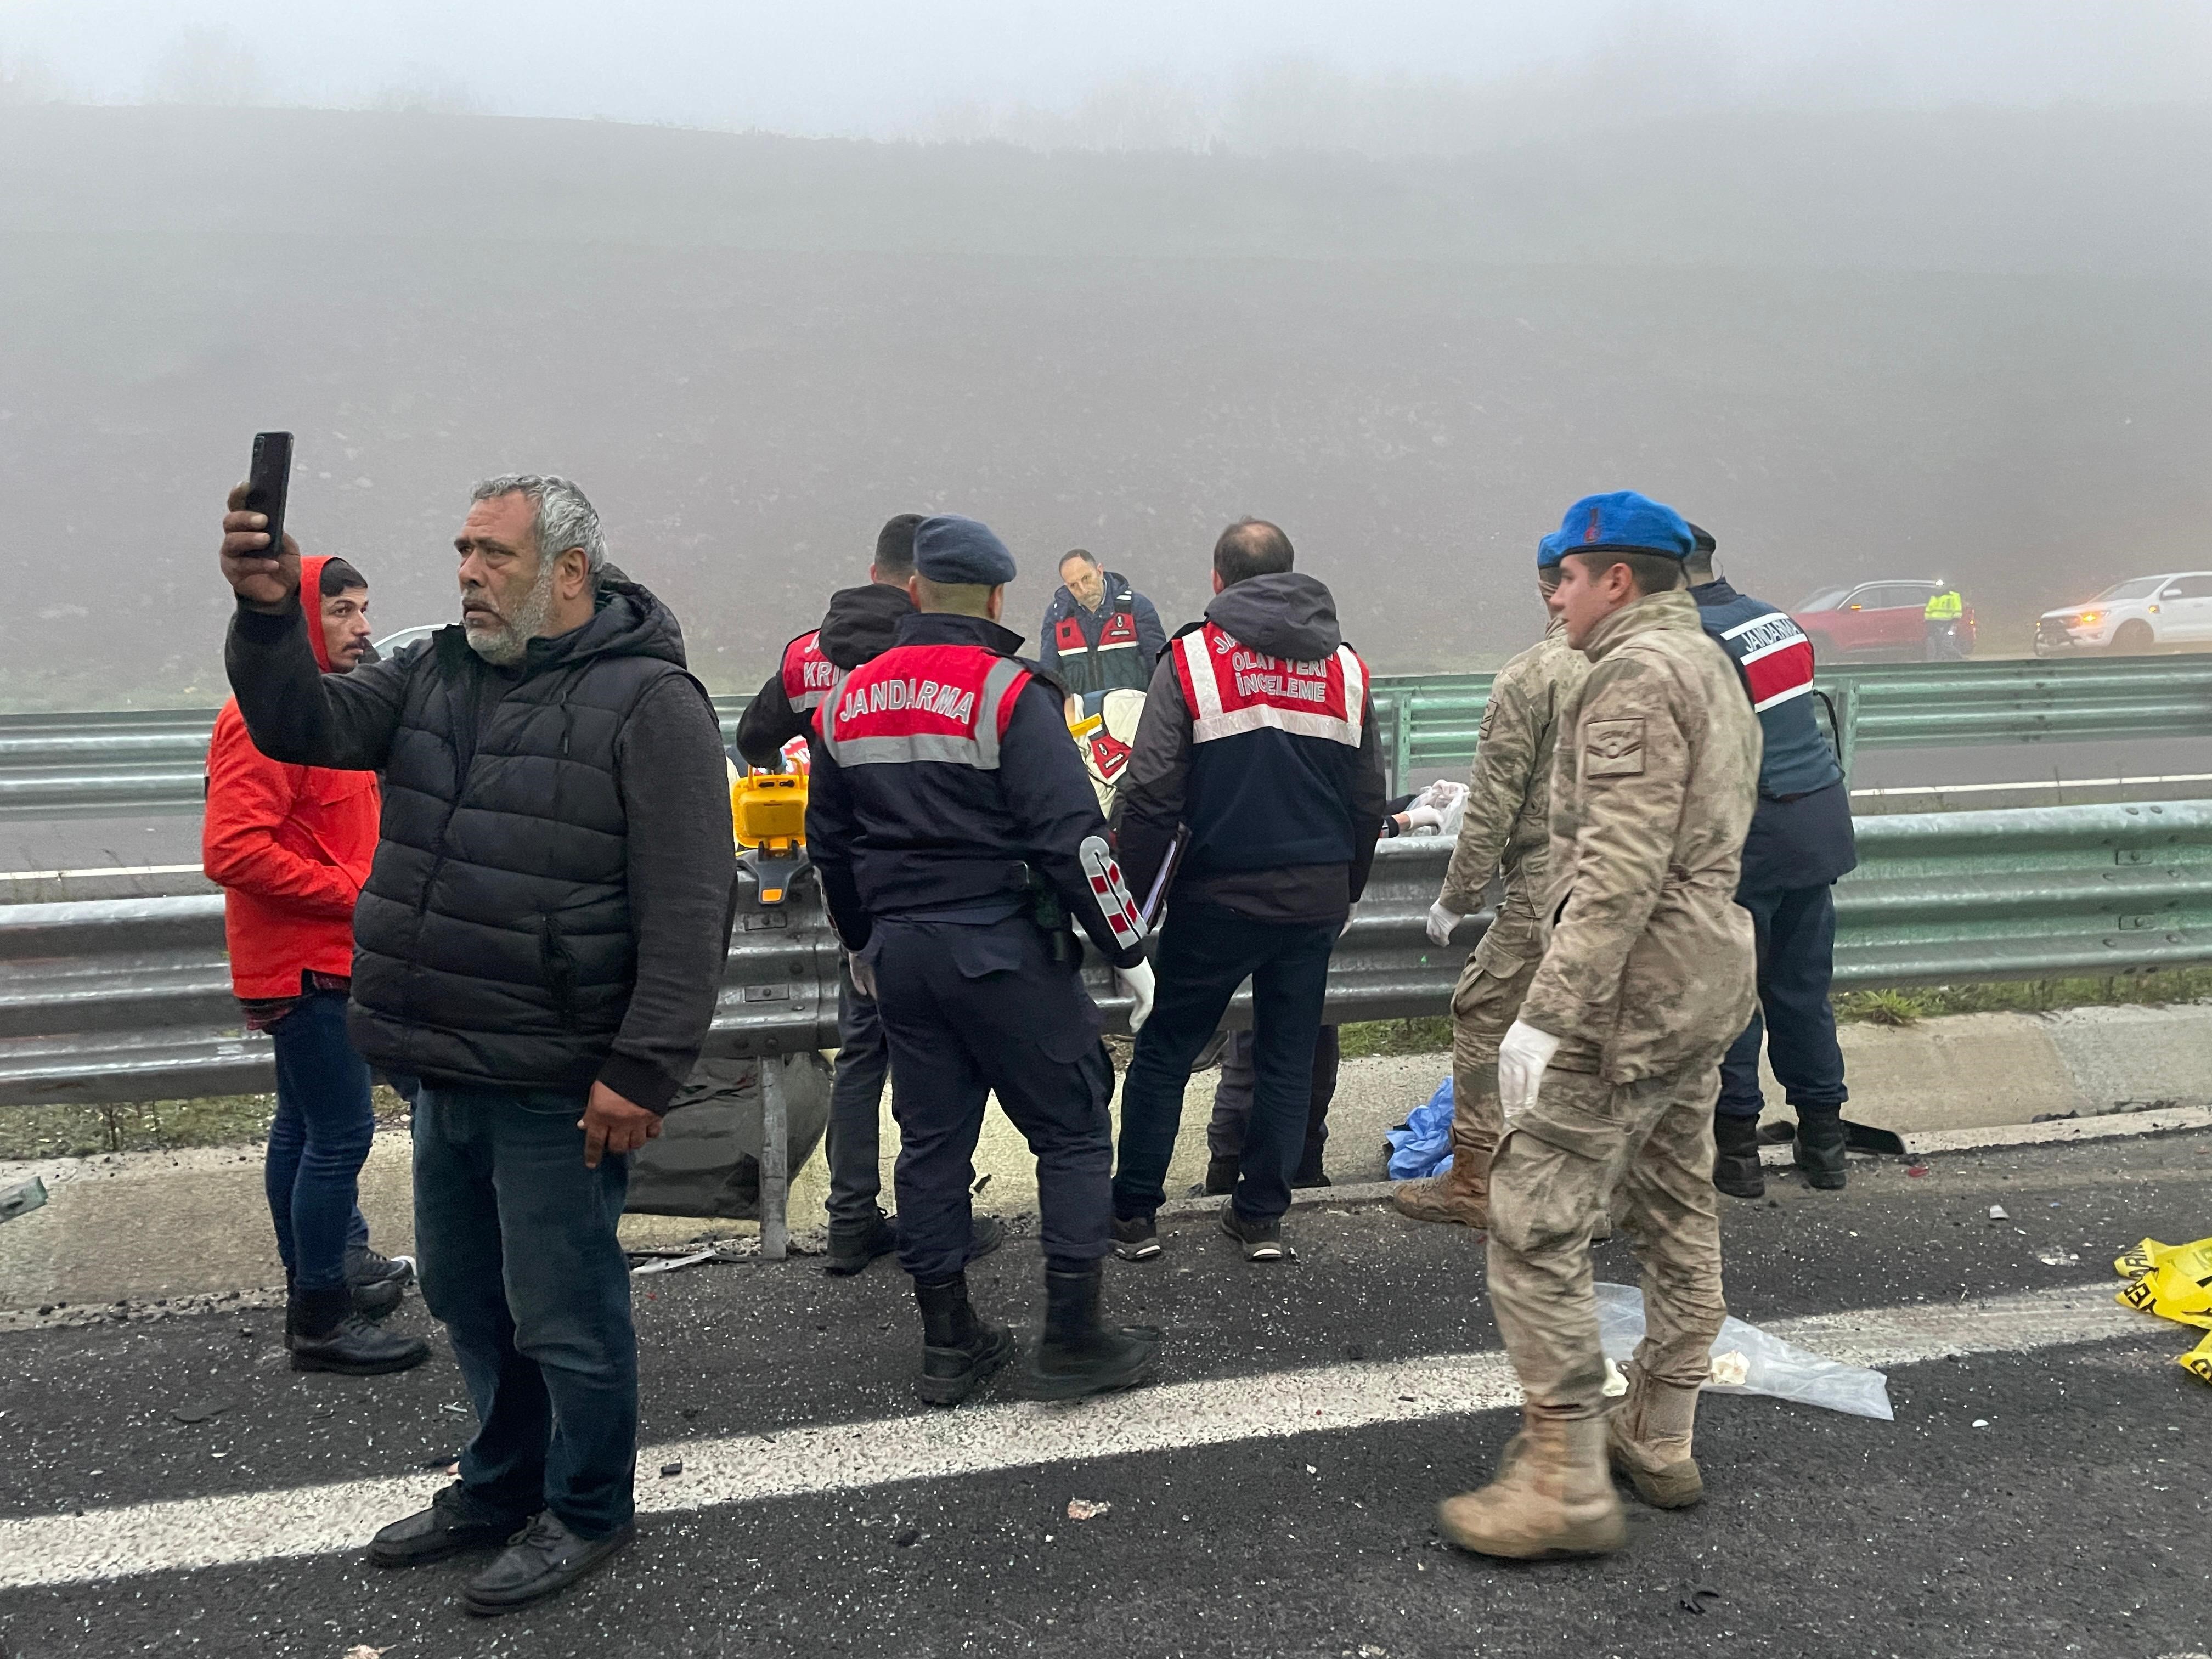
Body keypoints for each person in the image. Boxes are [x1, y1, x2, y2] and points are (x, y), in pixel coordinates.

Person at [218, 472, 736, 1616]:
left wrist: (642, 1067)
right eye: (461, 549)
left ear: (567, 572)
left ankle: (590, 1507)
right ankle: (501, 1485)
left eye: (493, 555)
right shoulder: (433, 670)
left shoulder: (652, 703)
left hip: (560, 1078)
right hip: (441, 1055)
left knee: (566, 1307)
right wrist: (265, 617)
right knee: (465, 1292)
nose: (466, 573)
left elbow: (695, 904)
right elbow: (303, 722)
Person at [1436, 490, 1759, 1561]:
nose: (1556, 596)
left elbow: (1616, 873)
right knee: (1677, 1205)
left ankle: (1564, 1475)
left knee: (1531, 1225)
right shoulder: (1713, 662)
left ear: (1615, 578)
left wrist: (1544, 1020)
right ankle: (1661, 1432)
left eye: (1567, 578)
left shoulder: (1630, 676)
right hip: (1702, 989)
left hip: (1625, 1003)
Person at [805, 514, 1162, 1407]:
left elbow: (830, 847)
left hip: (903, 959)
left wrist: (860, 944)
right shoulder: (1009, 693)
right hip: (1002, 953)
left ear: (915, 590)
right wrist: (1128, 950)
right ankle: (1073, 1335)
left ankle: (949, 1341)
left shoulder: (846, 701)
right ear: (998, 597)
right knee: (1073, 1124)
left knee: (930, 1143)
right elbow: (1076, 843)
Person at [1108, 518, 1387, 1263]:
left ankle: (1134, 1215)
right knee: (1287, 1055)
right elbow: (1369, 799)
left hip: (1218, 899)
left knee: (1166, 1050)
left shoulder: (1193, 658)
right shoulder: (1348, 668)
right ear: (1292, 576)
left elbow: (1149, 793)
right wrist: (1347, 890)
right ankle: (1260, 1216)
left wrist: (1127, 913)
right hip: (1316, 899)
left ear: (1217, 581)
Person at [732, 514, 1004, 1276]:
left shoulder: (804, 656)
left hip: (845, 878)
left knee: (862, 1057)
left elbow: (754, 743)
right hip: (939, 878)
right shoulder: (936, 651)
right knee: (945, 1058)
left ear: (873, 568)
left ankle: (851, 1216)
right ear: (923, 580)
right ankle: (936, 1220)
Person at [202, 552, 427, 1377]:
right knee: (340, 1134)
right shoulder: (260, 723)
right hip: (307, 967)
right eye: (341, 611)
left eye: (364, 609)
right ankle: (321, 1320)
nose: (363, 627)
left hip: (322, 960)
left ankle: (325, 1277)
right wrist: (358, 895)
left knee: (304, 1128)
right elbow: (232, 849)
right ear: (297, 619)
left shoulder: (324, 714)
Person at [1685, 524, 1858, 1197]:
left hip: (1748, 836)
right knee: (1802, 992)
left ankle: (1738, 1156)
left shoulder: (1694, 643)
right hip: (1815, 827)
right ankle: (1824, 1145)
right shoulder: (1773, 621)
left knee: (1732, 999)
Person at [1037, 549, 1167, 697]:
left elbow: (1159, 668)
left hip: (1134, 713)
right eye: (1074, 585)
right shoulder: (1057, 617)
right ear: (1066, 586)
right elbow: (1049, 676)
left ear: (1100, 571)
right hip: (1082, 717)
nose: (1083, 590)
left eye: (1086, 578)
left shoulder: (1135, 607)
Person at [1923, 584, 1966, 659]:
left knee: (1945, 643)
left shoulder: (1954, 596)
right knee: (1936, 643)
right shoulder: (1935, 595)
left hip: (1947, 622)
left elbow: (1957, 608)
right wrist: (1927, 620)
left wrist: (1955, 620)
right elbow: (1930, 608)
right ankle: (1938, 659)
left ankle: (1960, 658)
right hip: (1934, 622)